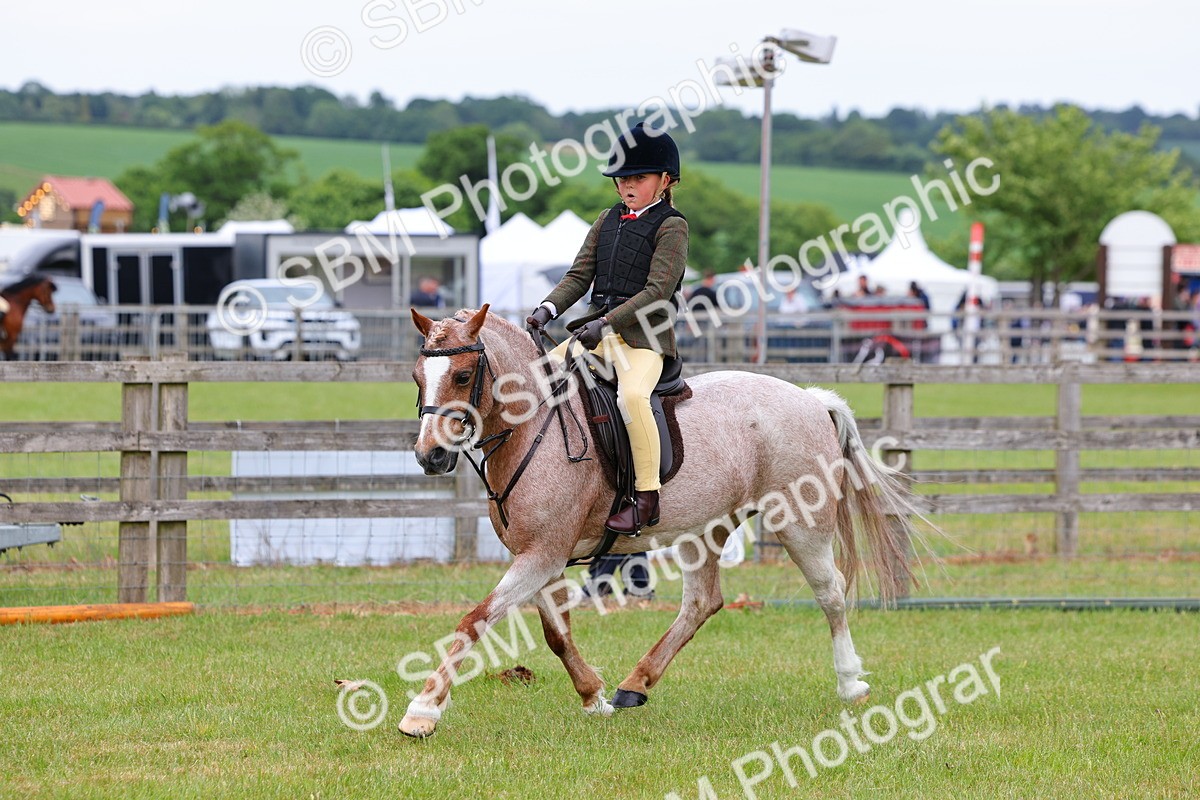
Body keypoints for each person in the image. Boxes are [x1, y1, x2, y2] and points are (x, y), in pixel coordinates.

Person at [526, 122, 688, 535]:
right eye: (623, 178)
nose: (627, 185)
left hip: (644, 340)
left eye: (638, 177)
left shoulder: (672, 226)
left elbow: (657, 291)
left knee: (632, 398)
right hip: (596, 336)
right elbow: (579, 276)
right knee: (538, 379)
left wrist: (605, 323)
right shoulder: (607, 219)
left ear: (664, 180)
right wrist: (547, 308)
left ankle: (646, 498)